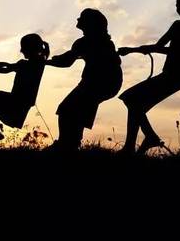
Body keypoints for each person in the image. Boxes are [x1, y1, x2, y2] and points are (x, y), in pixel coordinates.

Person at [118, 0, 180, 154]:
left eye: (179, 5)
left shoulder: (179, 26)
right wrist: (140, 49)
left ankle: (146, 139)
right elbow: (172, 50)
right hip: (179, 79)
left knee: (130, 99)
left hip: (170, 76)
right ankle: (132, 147)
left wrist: (132, 50)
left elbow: (164, 48)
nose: (177, 8)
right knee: (136, 106)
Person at [45, 9, 123, 151]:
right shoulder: (101, 41)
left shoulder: (86, 42)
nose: (77, 19)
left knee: (66, 109)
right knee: (75, 110)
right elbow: (69, 56)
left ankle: (66, 144)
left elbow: (67, 61)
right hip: (106, 81)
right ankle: (70, 143)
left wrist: (45, 62)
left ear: (89, 23)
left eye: (81, 17)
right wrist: (54, 60)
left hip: (98, 82)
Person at [0, 33, 50, 147]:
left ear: (30, 48)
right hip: (17, 101)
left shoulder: (34, 64)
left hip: (19, 101)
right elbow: (8, 68)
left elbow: (9, 68)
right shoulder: (37, 63)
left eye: (23, 47)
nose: (21, 50)